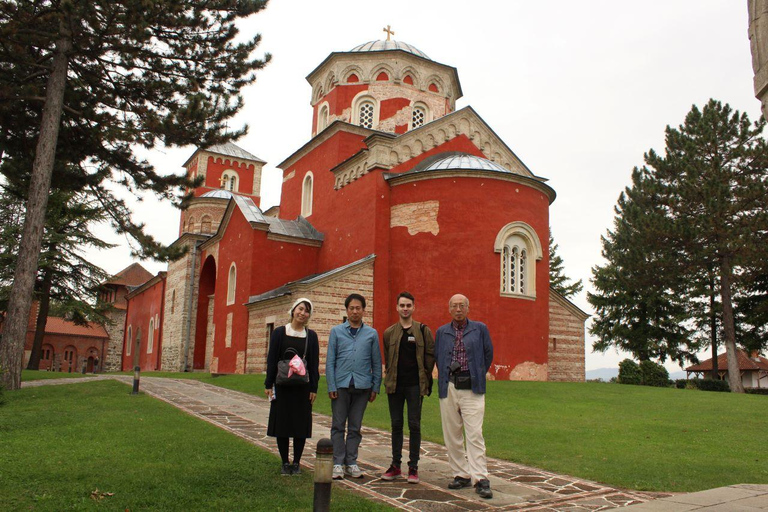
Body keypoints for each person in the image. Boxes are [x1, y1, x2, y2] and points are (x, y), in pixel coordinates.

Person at [434, 294, 494, 499]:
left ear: (468, 308)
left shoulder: (479, 329)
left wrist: (475, 373)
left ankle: (480, 478)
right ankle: (461, 474)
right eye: (454, 306)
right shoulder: (442, 332)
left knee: (475, 433)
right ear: (449, 309)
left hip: (472, 386)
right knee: (452, 434)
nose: (458, 309)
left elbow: (488, 354)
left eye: (462, 306)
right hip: (449, 386)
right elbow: (438, 357)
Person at [326, 293, 382, 480]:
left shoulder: (371, 334)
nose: (355, 311)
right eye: (352, 308)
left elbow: (376, 361)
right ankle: (337, 463)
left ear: (364, 310)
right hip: (341, 385)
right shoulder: (336, 332)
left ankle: (351, 462)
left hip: (362, 386)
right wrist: (331, 384)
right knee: (338, 425)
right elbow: (330, 360)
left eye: (358, 308)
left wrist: (375, 387)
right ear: (347, 310)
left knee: (356, 427)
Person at [381, 291, 435, 484]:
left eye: (408, 305)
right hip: (395, 385)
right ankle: (396, 465)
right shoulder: (389, 333)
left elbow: (430, 357)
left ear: (414, 307)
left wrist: (425, 380)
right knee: (396, 425)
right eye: (402, 305)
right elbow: (388, 357)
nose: (405, 309)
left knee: (414, 425)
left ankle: (413, 467)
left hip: (414, 385)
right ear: (397, 307)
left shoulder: (422, 331)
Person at [264, 298, 320, 476]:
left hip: (302, 387)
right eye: (300, 309)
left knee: (300, 425)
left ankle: (296, 462)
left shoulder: (311, 336)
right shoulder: (280, 333)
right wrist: (268, 384)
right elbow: (272, 359)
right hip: (282, 385)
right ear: (293, 310)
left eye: (306, 311)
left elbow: (314, 364)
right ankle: (284, 462)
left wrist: (314, 388)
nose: (303, 313)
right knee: (282, 424)